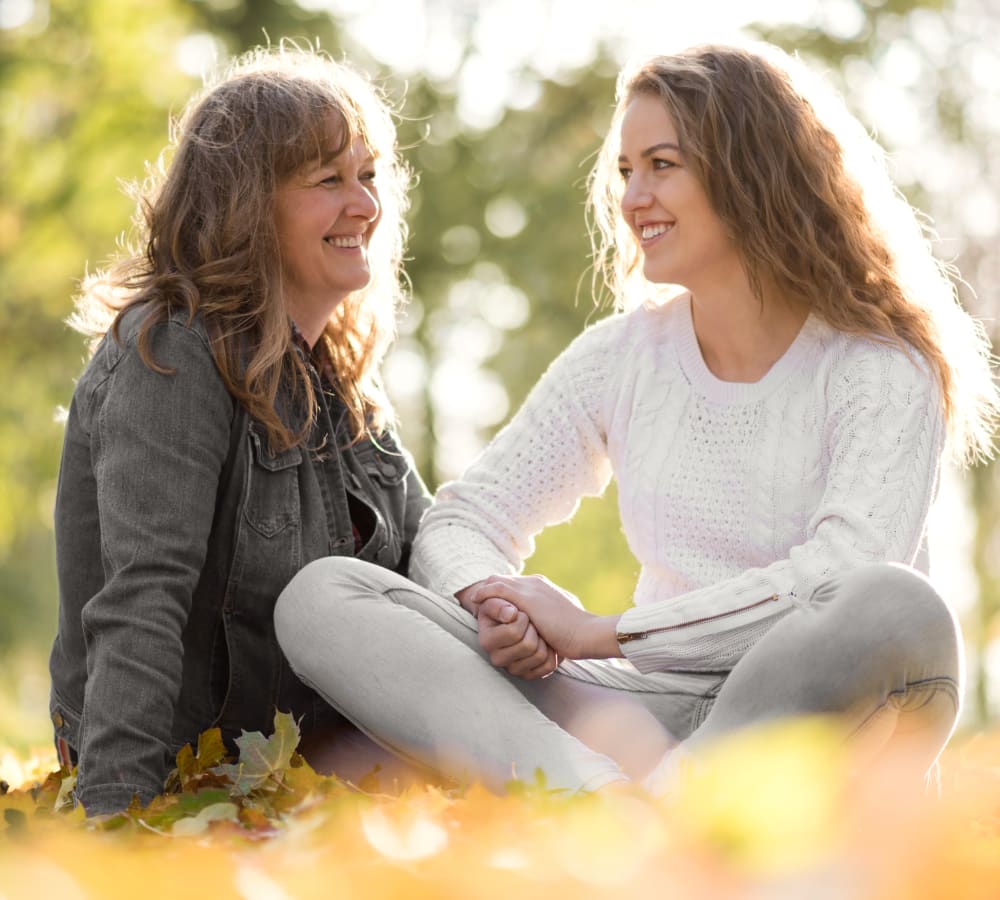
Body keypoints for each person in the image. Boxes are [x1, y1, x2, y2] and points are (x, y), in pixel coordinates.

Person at [275, 43, 999, 793]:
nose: (631, 199)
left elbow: (839, 578)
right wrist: (502, 605)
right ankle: (601, 805)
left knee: (895, 604)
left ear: (752, 169)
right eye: (625, 172)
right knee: (325, 596)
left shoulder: (879, 365)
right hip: (637, 713)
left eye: (661, 164)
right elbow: (462, 520)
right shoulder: (624, 359)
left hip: (813, 723)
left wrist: (601, 633)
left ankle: (666, 808)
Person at [48, 46, 431, 816]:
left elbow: (427, 559)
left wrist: (508, 602)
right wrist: (122, 822)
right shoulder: (172, 352)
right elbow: (142, 601)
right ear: (249, 206)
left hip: (323, 772)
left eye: (369, 176)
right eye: (330, 181)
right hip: (204, 777)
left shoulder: (338, 374)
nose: (365, 205)